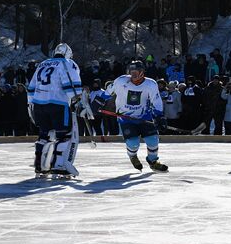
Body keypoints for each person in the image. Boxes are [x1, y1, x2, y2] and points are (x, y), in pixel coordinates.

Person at [27, 43, 91, 178]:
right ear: (68, 53)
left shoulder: (43, 64)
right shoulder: (67, 63)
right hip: (58, 104)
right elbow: (71, 85)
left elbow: (31, 87)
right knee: (64, 136)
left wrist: (30, 105)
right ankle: (58, 166)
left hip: (39, 104)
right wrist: (78, 103)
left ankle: (39, 166)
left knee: (44, 135)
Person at [106, 60, 168, 172]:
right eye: (131, 72)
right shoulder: (121, 81)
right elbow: (107, 92)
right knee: (133, 144)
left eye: (136, 72)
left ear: (142, 72)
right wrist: (97, 102)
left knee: (153, 140)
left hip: (145, 117)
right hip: (126, 119)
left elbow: (156, 101)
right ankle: (133, 156)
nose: (133, 74)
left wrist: (159, 116)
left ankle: (153, 161)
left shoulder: (151, 84)